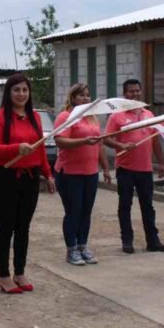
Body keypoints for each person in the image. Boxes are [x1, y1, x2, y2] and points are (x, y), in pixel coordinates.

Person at [0, 73, 55, 293]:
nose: (21, 94)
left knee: (23, 228)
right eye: (16, 90)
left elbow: (41, 147)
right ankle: (4, 274)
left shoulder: (34, 116)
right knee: (6, 227)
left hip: (30, 177)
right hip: (6, 177)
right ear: (9, 93)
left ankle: (20, 271)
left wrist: (48, 174)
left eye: (25, 90)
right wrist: (16, 148)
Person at [104, 79, 164, 254]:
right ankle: (127, 240)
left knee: (148, 206)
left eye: (137, 91)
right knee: (125, 206)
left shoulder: (149, 115)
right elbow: (106, 138)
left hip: (146, 169)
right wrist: (122, 146)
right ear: (125, 94)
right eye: (131, 91)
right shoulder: (117, 116)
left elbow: (155, 140)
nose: (135, 94)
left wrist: (161, 163)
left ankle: (153, 241)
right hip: (125, 169)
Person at [54, 83, 110, 266]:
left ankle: (82, 246)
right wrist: (83, 141)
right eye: (81, 95)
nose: (86, 98)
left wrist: (106, 168)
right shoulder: (66, 116)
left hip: (90, 172)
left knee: (86, 212)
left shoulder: (92, 118)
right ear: (72, 98)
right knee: (74, 211)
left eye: (88, 95)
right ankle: (71, 249)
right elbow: (60, 141)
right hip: (69, 172)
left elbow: (99, 144)